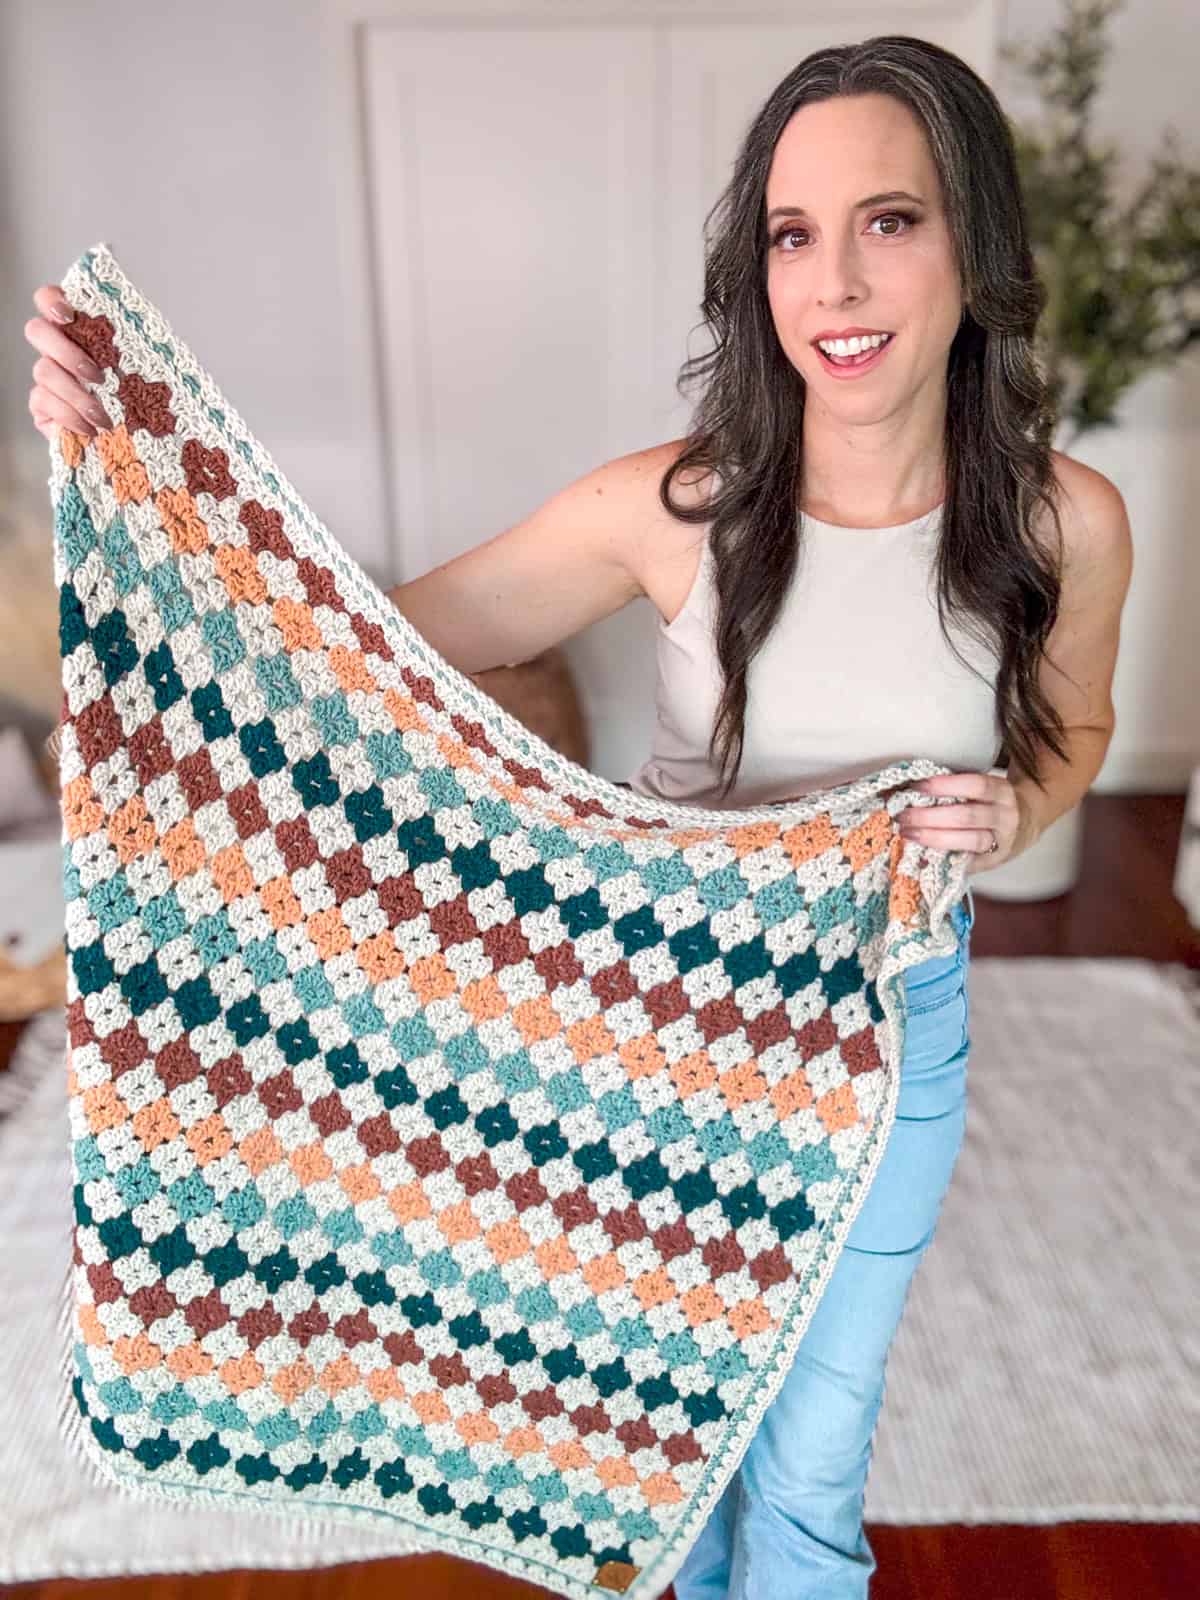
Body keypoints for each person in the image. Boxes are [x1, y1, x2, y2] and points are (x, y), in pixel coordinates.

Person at [24, 32, 1131, 1598]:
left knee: (813, 1468)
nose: (836, 286)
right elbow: (337, 646)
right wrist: (117, 451)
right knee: (658, 1461)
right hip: (652, 1051)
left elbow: (1072, 731)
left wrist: (1012, 815)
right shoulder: (669, 509)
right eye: (792, 238)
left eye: (890, 221)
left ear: (974, 243)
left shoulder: (1064, 523)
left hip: (891, 1032)